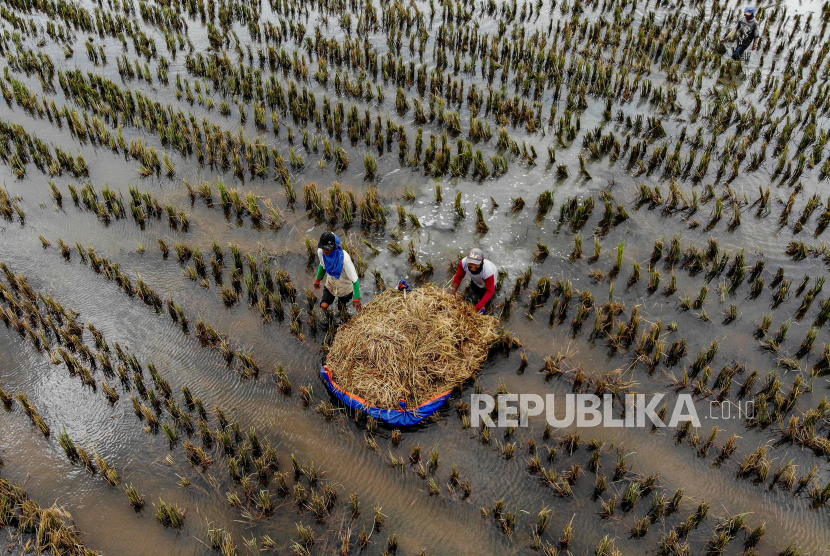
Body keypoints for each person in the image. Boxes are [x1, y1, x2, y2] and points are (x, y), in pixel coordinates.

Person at [313, 231, 362, 311]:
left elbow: (355, 280)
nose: (325, 251)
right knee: (324, 306)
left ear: (334, 247)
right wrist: (318, 280)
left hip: (345, 287)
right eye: (323, 248)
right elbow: (322, 265)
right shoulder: (321, 252)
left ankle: (343, 314)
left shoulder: (344, 259)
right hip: (331, 284)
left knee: (341, 308)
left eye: (328, 249)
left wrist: (357, 298)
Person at [451, 248, 496, 313]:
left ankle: (484, 306)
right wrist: (452, 294)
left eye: (476, 263)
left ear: (481, 262)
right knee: (474, 289)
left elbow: (490, 291)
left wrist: (477, 307)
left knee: (485, 296)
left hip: (490, 278)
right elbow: (458, 278)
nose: (473, 266)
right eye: (471, 263)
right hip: (476, 279)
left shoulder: (488, 271)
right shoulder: (464, 263)